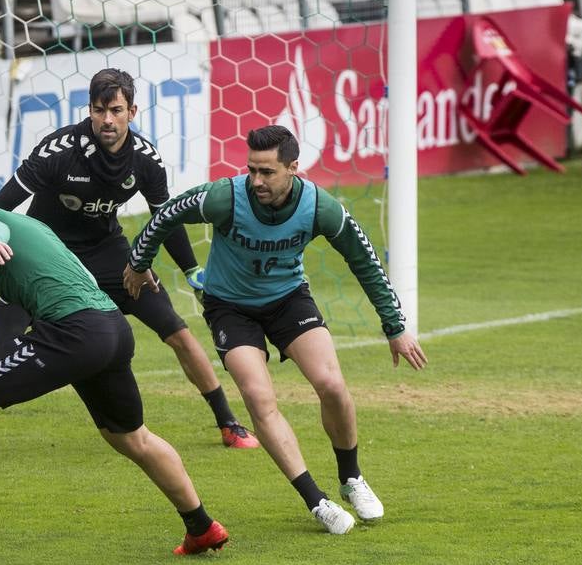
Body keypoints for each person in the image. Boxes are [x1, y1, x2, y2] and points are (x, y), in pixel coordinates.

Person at [0, 155, 229, 564]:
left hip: (72, 331)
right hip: (111, 328)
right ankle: (201, 526)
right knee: (130, 437)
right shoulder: (29, 225)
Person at [0, 68, 258, 449]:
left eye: (115, 110)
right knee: (0, 350)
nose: (107, 119)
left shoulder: (146, 160)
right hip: (44, 263)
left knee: (176, 331)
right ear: (90, 110)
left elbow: (165, 217)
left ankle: (228, 422)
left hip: (109, 255)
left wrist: (193, 271)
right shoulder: (58, 151)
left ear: (133, 111)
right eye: (98, 110)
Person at [122, 125, 428, 535]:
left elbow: (365, 260)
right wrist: (139, 264)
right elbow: (167, 213)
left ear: (293, 169)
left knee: (332, 384)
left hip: (288, 300)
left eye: (266, 171)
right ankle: (316, 500)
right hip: (229, 308)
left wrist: (395, 327)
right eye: (251, 169)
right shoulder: (225, 197)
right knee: (258, 396)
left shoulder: (320, 207)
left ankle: (351, 478)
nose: (256, 180)